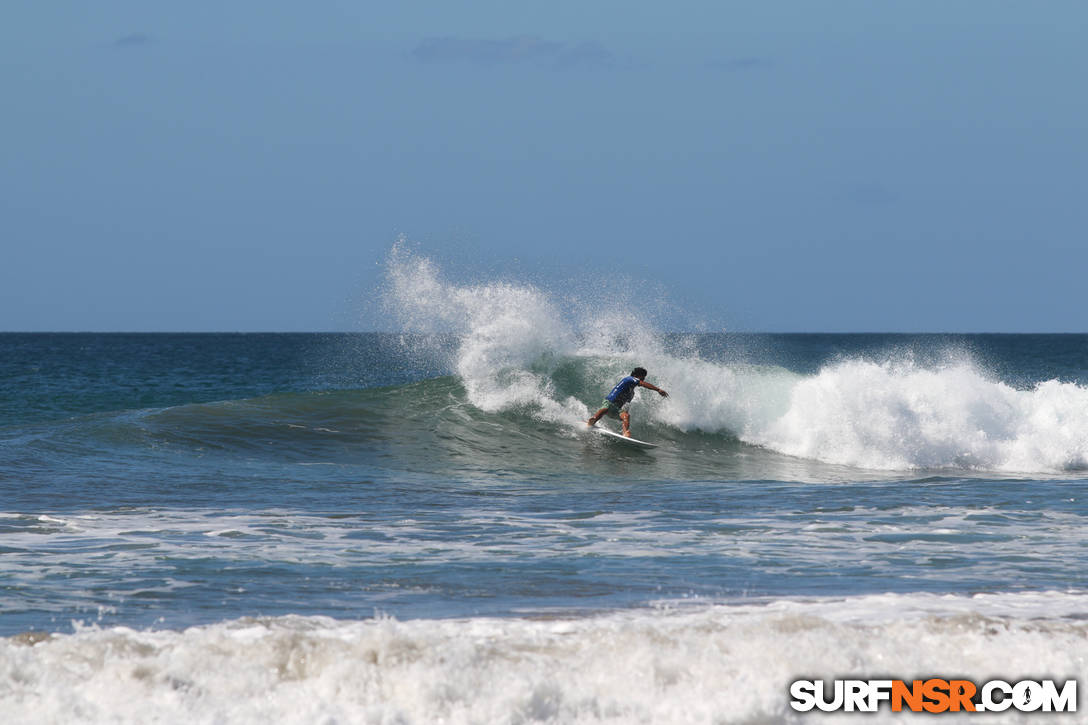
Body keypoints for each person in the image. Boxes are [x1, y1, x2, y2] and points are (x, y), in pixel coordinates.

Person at [586, 367, 668, 437]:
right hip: (609, 402)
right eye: (642, 377)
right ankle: (593, 420)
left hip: (617, 409)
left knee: (626, 416)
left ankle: (625, 432)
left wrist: (624, 415)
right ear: (636, 376)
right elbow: (642, 384)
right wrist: (658, 390)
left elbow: (626, 405)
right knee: (605, 409)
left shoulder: (631, 393)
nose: (643, 379)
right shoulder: (629, 379)